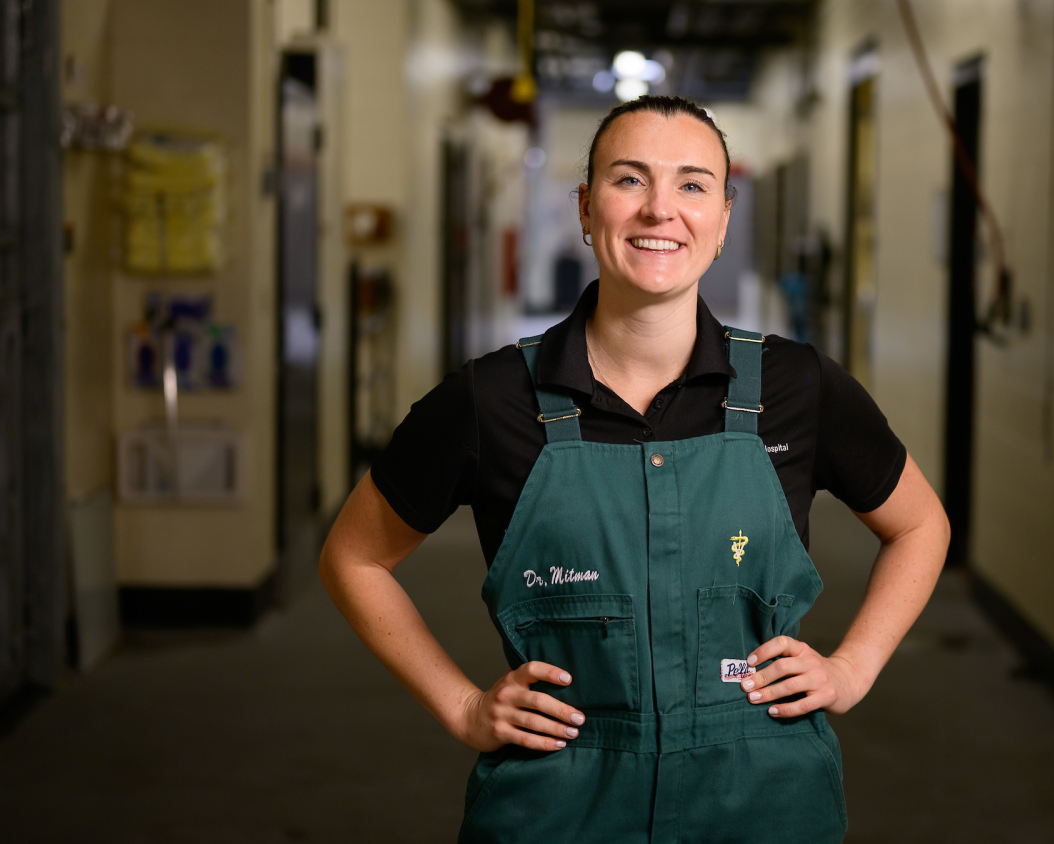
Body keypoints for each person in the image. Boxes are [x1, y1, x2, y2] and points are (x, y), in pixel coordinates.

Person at [320, 95, 950, 843]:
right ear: (586, 209)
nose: (660, 210)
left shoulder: (796, 388)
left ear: (722, 218)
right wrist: (462, 706)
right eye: (629, 180)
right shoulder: (490, 401)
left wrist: (853, 667)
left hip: (764, 803)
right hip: (558, 806)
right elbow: (353, 557)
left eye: (691, 185)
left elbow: (919, 523)